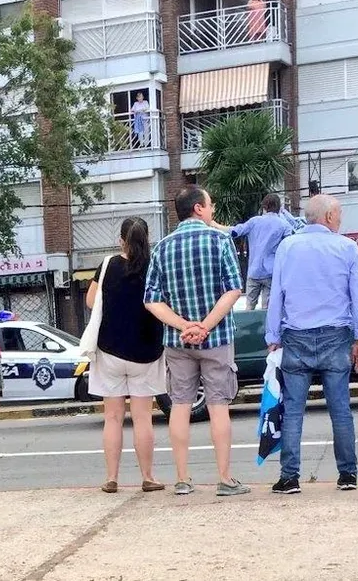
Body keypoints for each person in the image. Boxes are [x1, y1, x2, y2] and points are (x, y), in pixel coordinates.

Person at [144, 186, 249, 497]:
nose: (212, 209)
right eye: (210, 204)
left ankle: (182, 478)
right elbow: (233, 289)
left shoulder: (162, 248)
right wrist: (204, 326)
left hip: (177, 341)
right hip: (216, 337)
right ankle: (225, 478)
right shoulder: (219, 240)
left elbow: (151, 300)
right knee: (218, 407)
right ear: (199, 209)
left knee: (179, 405)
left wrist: (183, 325)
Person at [265, 194, 358, 494]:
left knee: (294, 410)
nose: (340, 219)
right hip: (336, 337)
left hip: (296, 338)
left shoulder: (287, 247)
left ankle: (289, 477)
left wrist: (272, 338)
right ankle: (347, 475)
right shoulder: (347, 248)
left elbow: (277, 296)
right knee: (340, 410)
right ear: (327, 217)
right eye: (337, 214)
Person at [86, 217, 166, 494]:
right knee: (143, 417)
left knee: (113, 417)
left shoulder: (107, 265)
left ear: (121, 239)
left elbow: (90, 301)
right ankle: (148, 476)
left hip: (110, 350)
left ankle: (111, 477)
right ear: (147, 239)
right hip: (147, 352)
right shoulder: (156, 265)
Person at [221, 193, 293, 310]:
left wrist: (214, 225)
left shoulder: (254, 221)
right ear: (279, 208)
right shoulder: (284, 225)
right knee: (267, 309)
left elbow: (235, 232)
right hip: (271, 272)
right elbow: (288, 247)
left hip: (253, 271)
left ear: (264, 207)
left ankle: (248, 327)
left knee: (249, 307)